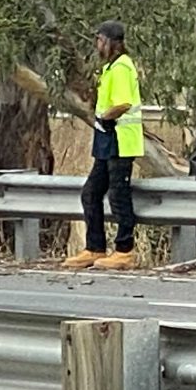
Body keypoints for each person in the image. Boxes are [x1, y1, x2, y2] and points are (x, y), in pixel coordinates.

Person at [63, 20, 143, 270]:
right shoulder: (110, 67)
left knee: (119, 196)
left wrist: (103, 118)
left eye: (99, 40)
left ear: (111, 42)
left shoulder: (121, 68)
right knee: (91, 193)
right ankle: (94, 248)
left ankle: (124, 251)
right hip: (107, 140)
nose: (97, 45)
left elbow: (123, 104)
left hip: (120, 140)